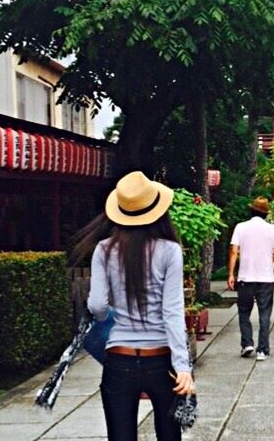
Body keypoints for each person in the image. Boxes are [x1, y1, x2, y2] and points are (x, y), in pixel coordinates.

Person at [77, 171, 193, 441]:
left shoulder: (104, 250)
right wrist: (183, 366)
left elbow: (96, 305)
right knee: (169, 435)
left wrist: (109, 316)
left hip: (119, 360)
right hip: (161, 361)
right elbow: (172, 312)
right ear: (158, 210)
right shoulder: (170, 251)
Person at [228, 196, 274, 361]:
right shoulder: (272, 229)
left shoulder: (241, 227)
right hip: (265, 277)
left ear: (251, 210)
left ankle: (247, 344)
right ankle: (262, 350)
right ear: (266, 214)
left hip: (246, 276)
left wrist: (231, 273)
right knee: (264, 314)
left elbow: (233, 251)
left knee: (244, 311)